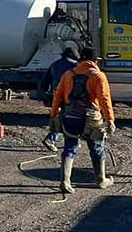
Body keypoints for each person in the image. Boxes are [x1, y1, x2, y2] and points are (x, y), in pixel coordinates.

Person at [49, 46, 116, 196]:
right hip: (91, 120)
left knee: (70, 147)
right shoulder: (98, 76)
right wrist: (110, 120)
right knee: (97, 147)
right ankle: (101, 180)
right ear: (95, 60)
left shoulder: (68, 74)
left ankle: (65, 181)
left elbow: (57, 96)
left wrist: (53, 116)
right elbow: (105, 100)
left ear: (79, 59)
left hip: (70, 118)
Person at [42, 46, 80, 150]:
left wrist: (46, 93)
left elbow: (46, 81)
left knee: (62, 117)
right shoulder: (75, 65)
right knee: (74, 118)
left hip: (57, 95)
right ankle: (53, 139)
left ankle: (55, 139)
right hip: (70, 97)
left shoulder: (54, 64)